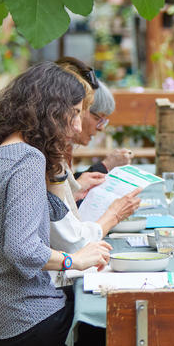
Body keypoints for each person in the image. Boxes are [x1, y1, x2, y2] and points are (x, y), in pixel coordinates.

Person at [0, 62, 112, 346]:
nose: (79, 126)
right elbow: (22, 250)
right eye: (74, 113)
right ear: (51, 110)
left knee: (102, 305)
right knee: (131, 328)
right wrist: (76, 259)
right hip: (26, 325)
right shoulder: (26, 159)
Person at [47, 60, 140, 255]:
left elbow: (51, 211)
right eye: (98, 118)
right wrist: (114, 214)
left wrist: (76, 190)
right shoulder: (42, 155)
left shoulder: (50, 150)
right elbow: (71, 242)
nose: (78, 126)